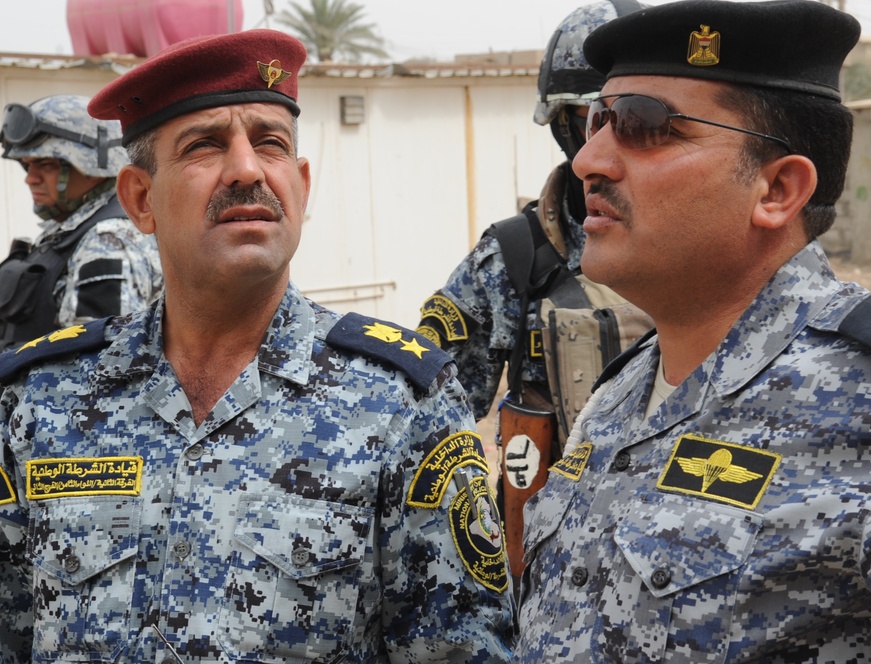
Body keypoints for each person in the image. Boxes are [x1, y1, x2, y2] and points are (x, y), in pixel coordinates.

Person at [0, 29, 513, 663]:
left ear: (301, 184)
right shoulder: (38, 400)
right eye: (204, 145)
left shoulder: (403, 402)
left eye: (270, 143)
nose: (247, 169)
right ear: (139, 198)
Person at [516, 1, 871, 662]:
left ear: (777, 190)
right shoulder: (621, 395)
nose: (589, 160)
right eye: (598, 120)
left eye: (642, 125)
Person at [416, 0, 651, 582]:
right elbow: (429, 418)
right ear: (562, 125)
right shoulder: (514, 259)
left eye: (635, 120)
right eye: (591, 116)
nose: (606, 140)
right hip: (543, 568)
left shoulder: (712, 251)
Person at [0, 94, 162, 350]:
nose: (30, 178)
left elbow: (100, 360)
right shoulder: (68, 230)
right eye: (28, 165)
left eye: (46, 164)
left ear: (91, 167)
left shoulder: (109, 238)